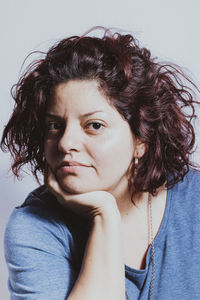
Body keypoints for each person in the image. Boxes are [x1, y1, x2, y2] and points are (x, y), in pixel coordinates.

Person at [1, 28, 200, 300]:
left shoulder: (194, 202)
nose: (65, 142)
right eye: (54, 126)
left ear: (141, 138)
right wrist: (103, 213)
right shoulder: (35, 228)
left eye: (94, 125)